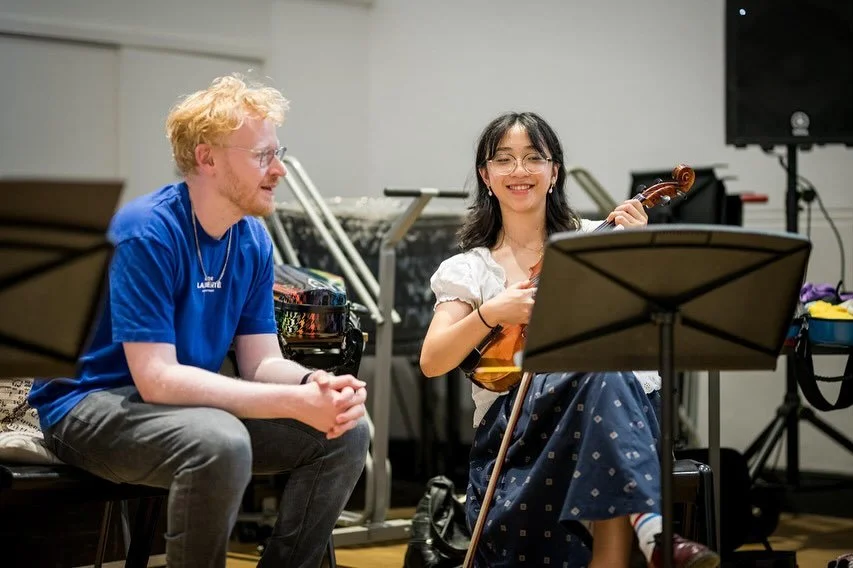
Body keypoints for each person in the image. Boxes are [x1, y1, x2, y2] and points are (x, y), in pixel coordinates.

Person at [28, 74, 370, 568]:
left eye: (279, 153)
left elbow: (261, 362)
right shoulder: (146, 231)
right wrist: (290, 400)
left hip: (182, 408)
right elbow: (157, 379)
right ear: (207, 158)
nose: (279, 170)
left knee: (346, 431)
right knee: (219, 442)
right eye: (261, 156)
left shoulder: (251, 238)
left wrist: (314, 384)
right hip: (86, 406)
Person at [420, 111, 720, 568]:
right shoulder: (472, 268)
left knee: (602, 374)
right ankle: (653, 532)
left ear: (553, 171)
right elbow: (433, 360)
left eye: (533, 158)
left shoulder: (598, 240)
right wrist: (490, 312)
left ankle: (648, 534)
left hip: (620, 406)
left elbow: (654, 328)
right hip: (520, 424)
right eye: (504, 160)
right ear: (485, 174)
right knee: (599, 377)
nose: (519, 171)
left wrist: (639, 253)